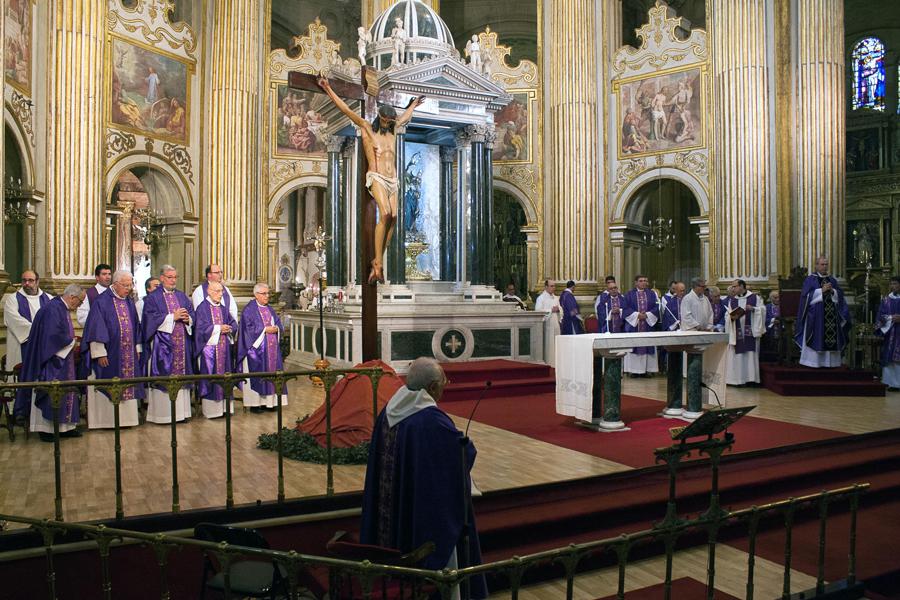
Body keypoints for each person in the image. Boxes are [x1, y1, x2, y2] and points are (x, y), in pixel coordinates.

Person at [360, 358, 487, 599]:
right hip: (423, 515)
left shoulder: (389, 411)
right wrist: (466, 447)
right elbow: (460, 452)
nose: (444, 388)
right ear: (431, 388)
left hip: (397, 505)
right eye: (443, 383)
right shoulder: (430, 420)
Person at [317, 77, 424, 284]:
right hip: (376, 176)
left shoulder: (393, 130)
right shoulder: (367, 128)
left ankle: (378, 259)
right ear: (380, 118)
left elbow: (403, 119)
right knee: (384, 213)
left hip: (393, 179)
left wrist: (412, 105)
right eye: (385, 121)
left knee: (394, 217)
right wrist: (329, 89)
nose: (388, 124)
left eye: (390, 122)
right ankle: (377, 263)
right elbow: (346, 111)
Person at [19, 285, 85, 442]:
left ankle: (65, 428)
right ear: (72, 297)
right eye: (80, 301)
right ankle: (47, 430)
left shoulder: (60, 307)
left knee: (65, 391)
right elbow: (52, 337)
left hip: (62, 359)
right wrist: (71, 341)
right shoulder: (53, 309)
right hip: (51, 361)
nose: (80, 305)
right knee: (52, 392)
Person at [81, 270, 144, 429]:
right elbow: (95, 328)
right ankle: (106, 422)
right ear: (114, 284)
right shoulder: (102, 302)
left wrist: (137, 346)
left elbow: (135, 325)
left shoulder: (128, 301)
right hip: (109, 353)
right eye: (125, 285)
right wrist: (99, 352)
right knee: (109, 382)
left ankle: (127, 421)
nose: (129, 288)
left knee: (128, 383)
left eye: (130, 284)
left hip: (128, 353)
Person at [141, 264, 195, 424]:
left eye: (175, 277)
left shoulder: (182, 296)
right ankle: (163, 416)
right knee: (165, 377)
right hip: (163, 346)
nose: (173, 280)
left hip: (182, 345)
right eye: (170, 277)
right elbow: (149, 319)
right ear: (162, 278)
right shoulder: (153, 298)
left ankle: (181, 414)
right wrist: (172, 316)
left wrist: (188, 319)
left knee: (181, 377)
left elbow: (192, 313)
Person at [4, 271, 53, 422]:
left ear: (37, 281)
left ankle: (38, 412)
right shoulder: (12, 300)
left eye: (30, 280)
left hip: (43, 346)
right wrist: (38, 332)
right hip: (20, 345)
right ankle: (19, 411)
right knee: (20, 376)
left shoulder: (49, 299)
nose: (27, 284)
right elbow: (14, 320)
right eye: (24, 280)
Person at [237, 283, 287, 412]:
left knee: (272, 374)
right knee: (257, 376)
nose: (267, 296)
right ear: (256, 295)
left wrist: (276, 329)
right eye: (264, 294)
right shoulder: (249, 310)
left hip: (272, 350)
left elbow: (278, 324)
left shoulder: (269, 309)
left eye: (268, 293)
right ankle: (255, 404)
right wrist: (265, 329)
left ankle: (269, 403)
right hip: (256, 351)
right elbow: (247, 330)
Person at [795, 256, 851, 368]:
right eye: (822, 264)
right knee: (817, 336)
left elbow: (839, 296)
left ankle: (830, 363)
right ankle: (813, 362)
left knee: (831, 336)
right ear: (816, 265)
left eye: (826, 264)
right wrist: (821, 291)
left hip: (832, 316)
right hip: (816, 316)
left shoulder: (832, 280)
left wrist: (833, 291)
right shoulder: (810, 279)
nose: (824, 267)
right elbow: (805, 297)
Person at [194, 281, 237, 419]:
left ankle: (225, 409)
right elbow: (200, 329)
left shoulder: (223, 308)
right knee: (211, 377)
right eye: (217, 291)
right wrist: (219, 328)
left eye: (222, 291)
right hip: (209, 350)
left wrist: (229, 328)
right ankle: (212, 411)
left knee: (225, 376)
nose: (221, 294)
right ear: (209, 291)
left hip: (224, 348)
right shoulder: (202, 308)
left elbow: (233, 323)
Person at [680, 278, 715, 419]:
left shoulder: (705, 299)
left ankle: (700, 377)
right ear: (695, 286)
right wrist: (698, 326)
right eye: (702, 286)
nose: (704, 288)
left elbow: (710, 313)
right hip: (692, 332)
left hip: (703, 332)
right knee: (692, 357)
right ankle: (690, 378)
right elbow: (686, 316)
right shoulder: (687, 299)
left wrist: (708, 326)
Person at [725, 280, 766, 385]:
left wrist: (753, 309)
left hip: (750, 331)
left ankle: (750, 379)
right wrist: (730, 317)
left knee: (750, 354)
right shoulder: (732, 300)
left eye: (735, 286)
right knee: (738, 355)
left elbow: (763, 310)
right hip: (737, 331)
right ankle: (738, 380)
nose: (733, 289)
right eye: (732, 287)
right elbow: (727, 315)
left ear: (742, 286)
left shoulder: (754, 298)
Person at [623, 274, 660, 375]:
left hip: (647, 324)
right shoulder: (629, 294)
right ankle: (633, 371)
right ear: (636, 283)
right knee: (635, 345)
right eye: (641, 280)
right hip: (634, 326)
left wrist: (647, 315)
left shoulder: (652, 294)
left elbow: (657, 307)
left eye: (645, 280)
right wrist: (637, 315)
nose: (644, 282)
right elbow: (625, 308)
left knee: (648, 344)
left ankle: (648, 370)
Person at [876, 277, 900, 391]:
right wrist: (891, 318)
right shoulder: (886, 300)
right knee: (889, 358)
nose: (892, 286)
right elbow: (880, 316)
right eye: (891, 284)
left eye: (895, 284)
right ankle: (889, 383)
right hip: (890, 334)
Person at [535, 279, 561, 366]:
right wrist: (550, 310)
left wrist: (559, 310)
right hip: (547, 325)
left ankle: (556, 364)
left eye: (554, 286)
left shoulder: (556, 298)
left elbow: (561, 309)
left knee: (556, 346)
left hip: (556, 324)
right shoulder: (541, 298)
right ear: (546, 287)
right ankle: (549, 364)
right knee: (549, 347)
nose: (554, 288)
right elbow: (538, 311)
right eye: (551, 286)